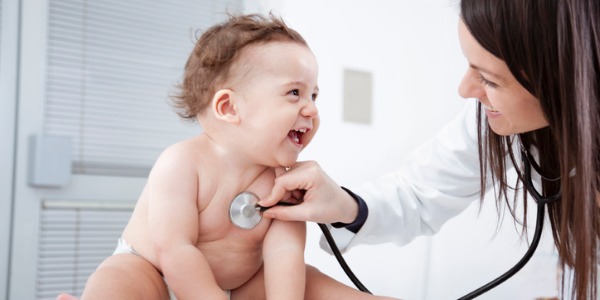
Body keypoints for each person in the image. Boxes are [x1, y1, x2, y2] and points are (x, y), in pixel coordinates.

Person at [259, 0, 600, 299]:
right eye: (468, 64)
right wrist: (346, 205)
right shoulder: (494, 118)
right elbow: (420, 194)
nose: (465, 90)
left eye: (490, 79)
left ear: (566, 81)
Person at [63, 13, 319, 300]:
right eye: (295, 93)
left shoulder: (285, 183)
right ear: (229, 107)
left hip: (236, 285)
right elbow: (174, 248)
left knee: (309, 285)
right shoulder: (182, 163)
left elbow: (285, 255)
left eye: (314, 96)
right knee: (118, 282)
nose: (311, 109)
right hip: (153, 269)